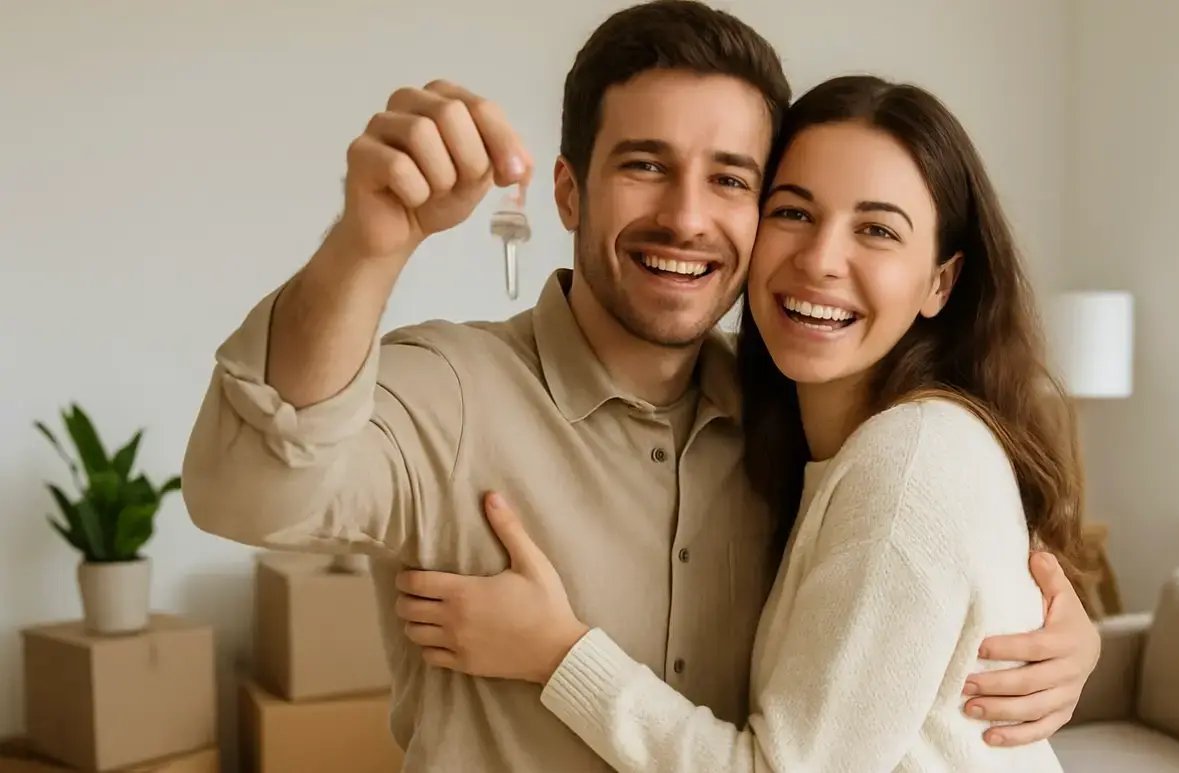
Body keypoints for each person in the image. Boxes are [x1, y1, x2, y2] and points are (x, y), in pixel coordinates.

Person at [181, 2, 1098, 770]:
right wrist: (367, 245)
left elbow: (913, 559)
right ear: (569, 192)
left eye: (731, 179)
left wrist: (1053, 633)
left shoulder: (795, 420)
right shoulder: (452, 390)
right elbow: (244, 492)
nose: (687, 217)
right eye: (646, 165)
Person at [394, 73, 1082, 771]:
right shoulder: (794, 432)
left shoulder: (909, 461)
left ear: (941, 281)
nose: (820, 260)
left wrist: (556, 654)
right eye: (793, 212)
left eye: (876, 230)